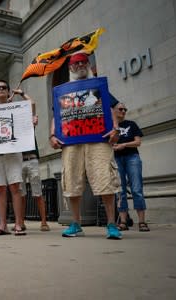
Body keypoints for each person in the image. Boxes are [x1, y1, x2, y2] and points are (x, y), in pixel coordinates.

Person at [49, 52, 122, 239]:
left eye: (83, 62)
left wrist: (115, 129)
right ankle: (75, 223)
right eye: (76, 63)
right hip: (71, 142)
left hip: (98, 140)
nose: (80, 65)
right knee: (72, 181)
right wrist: (52, 135)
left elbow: (112, 107)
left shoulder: (98, 86)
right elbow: (55, 115)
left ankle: (112, 224)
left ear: (88, 64)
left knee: (105, 179)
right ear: (70, 68)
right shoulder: (62, 90)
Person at [0, 80, 27, 236]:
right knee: (0, 189)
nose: (1, 89)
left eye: (4, 88)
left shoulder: (16, 109)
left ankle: (18, 224)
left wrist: (32, 121)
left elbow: (30, 112)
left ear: (9, 92)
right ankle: (3, 225)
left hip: (13, 153)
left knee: (15, 188)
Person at [113, 103, 149, 232]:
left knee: (136, 188)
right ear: (113, 111)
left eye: (125, 109)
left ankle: (142, 222)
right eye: (120, 109)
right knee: (120, 191)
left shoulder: (131, 124)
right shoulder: (110, 126)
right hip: (116, 158)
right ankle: (123, 222)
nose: (123, 111)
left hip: (132, 157)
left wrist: (124, 145)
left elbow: (138, 142)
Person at [20, 115, 50, 232]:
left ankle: (44, 222)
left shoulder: (29, 125)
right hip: (19, 161)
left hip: (32, 159)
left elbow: (31, 104)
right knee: (21, 194)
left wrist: (20, 94)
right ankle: (21, 222)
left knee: (37, 193)